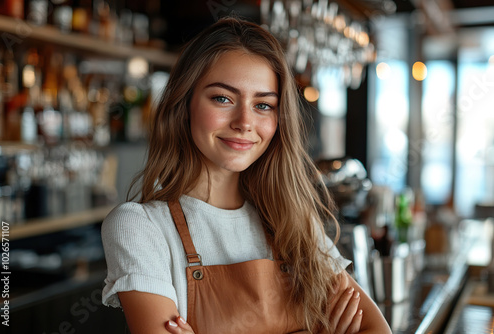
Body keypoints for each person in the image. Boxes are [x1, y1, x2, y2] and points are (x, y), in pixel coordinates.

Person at [101, 16, 392, 334]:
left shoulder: (292, 220)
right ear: (183, 104)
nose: (244, 122)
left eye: (263, 105)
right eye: (222, 98)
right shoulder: (139, 227)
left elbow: (376, 330)